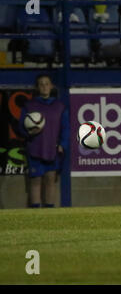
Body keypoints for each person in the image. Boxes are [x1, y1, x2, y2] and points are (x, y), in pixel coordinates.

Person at [19, 75, 69, 208]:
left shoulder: (59, 106)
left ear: (51, 86)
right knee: (35, 182)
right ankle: (35, 213)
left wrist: (63, 145)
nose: (44, 86)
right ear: (37, 87)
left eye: (47, 84)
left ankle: (49, 213)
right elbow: (21, 127)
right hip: (35, 149)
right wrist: (28, 133)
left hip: (52, 149)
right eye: (41, 84)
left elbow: (65, 128)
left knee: (50, 181)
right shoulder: (29, 106)